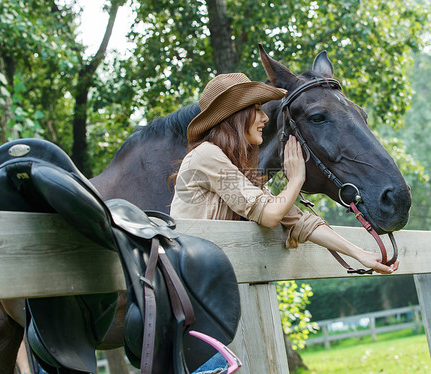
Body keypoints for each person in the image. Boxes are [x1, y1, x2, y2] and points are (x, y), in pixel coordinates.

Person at [170, 72, 399, 373]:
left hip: (213, 303)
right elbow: (269, 214)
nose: (265, 117)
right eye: (256, 109)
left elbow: (298, 221)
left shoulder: (237, 173)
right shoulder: (206, 156)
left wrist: (360, 253)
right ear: (235, 115)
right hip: (191, 307)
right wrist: (297, 178)